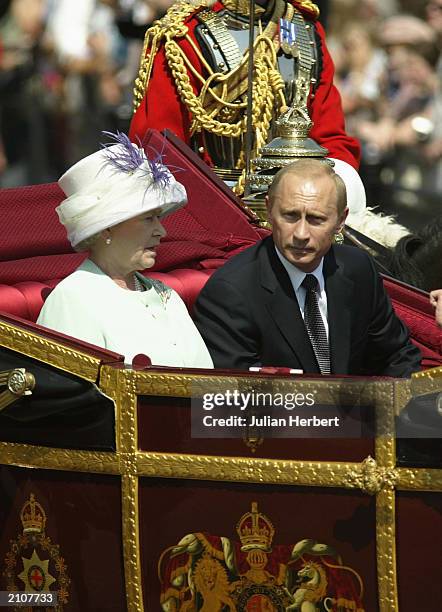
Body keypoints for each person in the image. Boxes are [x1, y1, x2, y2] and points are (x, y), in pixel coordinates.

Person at [194, 159, 421, 376]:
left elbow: (397, 356)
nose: (301, 234)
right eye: (290, 216)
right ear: (269, 210)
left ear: (341, 221)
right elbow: (237, 396)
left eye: (316, 219)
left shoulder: (358, 268)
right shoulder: (232, 292)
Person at [129, 0, 364, 204]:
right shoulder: (185, 34)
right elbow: (159, 150)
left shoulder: (306, 31)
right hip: (214, 205)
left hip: (301, 203)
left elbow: (330, 138)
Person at [37, 131, 213, 368]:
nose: (162, 231)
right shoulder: (72, 299)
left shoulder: (165, 294)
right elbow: (72, 400)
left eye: (158, 217)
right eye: (148, 219)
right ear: (106, 229)